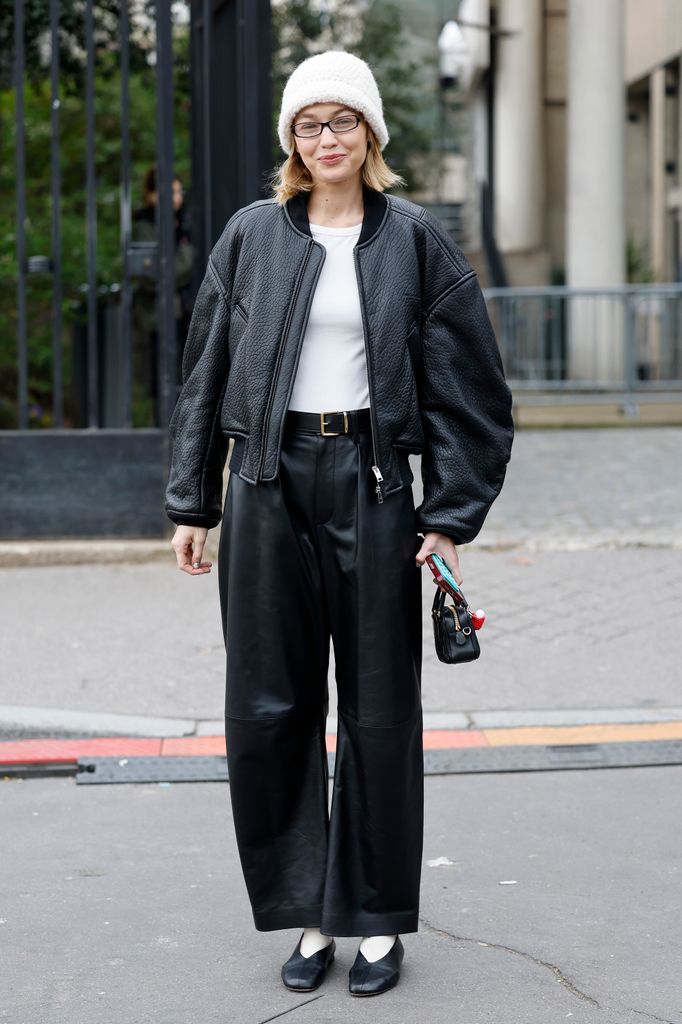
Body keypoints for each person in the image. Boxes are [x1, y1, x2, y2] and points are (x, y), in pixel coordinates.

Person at [165, 50, 514, 997]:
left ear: (370, 134)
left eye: (344, 121)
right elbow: (205, 372)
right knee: (269, 707)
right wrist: (193, 501)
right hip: (265, 482)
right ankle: (310, 917)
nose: (327, 139)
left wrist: (450, 514)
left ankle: (377, 923)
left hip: (373, 481)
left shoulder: (415, 241)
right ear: (292, 139)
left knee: (380, 711)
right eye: (310, 124)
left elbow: (473, 392)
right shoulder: (250, 236)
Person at [131, 168, 195, 424]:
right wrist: (188, 253)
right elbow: (160, 273)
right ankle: (162, 432)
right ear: (151, 195)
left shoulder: (184, 223)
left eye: (178, 192)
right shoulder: (145, 225)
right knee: (161, 382)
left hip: (184, 312)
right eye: (168, 192)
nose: (176, 198)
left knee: (183, 379)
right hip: (156, 317)